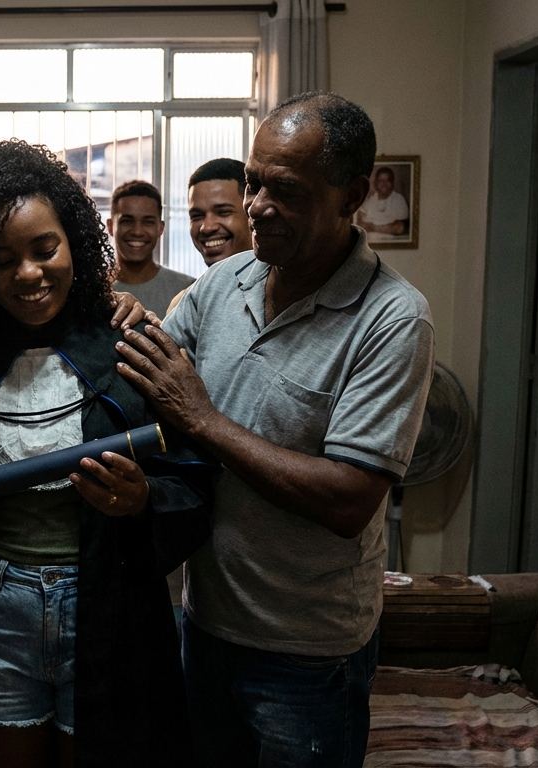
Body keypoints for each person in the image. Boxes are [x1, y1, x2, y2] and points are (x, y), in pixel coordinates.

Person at [116, 92, 435, 767]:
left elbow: (350, 498)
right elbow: (144, 383)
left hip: (308, 655)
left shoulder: (393, 320)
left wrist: (203, 420)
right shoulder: (226, 281)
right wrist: (98, 317)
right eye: (254, 182)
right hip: (205, 623)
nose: (256, 205)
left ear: (351, 195)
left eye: (283, 190)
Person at [0, 139, 213, 768]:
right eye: (2, 259)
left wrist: (144, 498)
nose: (28, 273)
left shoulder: (131, 347)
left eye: (45, 249)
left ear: (75, 239)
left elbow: (197, 476)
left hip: (110, 611)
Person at [165, 158, 257, 316]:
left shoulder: (280, 295)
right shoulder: (186, 305)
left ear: (252, 213)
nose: (206, 227)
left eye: (223, 212)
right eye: (197, 216)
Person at [108, 180, 193, 321]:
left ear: (161, 228)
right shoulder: (89, 289)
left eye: (148, 222)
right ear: (110, 226)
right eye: (127, 221)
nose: (137, 231)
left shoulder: (188, 290)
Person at [356, 166, 409, 237]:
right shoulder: (368, 202)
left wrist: (372, 227)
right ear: (376, 183)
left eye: (387, 180)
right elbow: (360, 226)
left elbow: (399, 229)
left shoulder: (399, 200)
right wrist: (387, 227)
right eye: (380, 181)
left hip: (393, 245)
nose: (384, 183)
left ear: (392, 183)